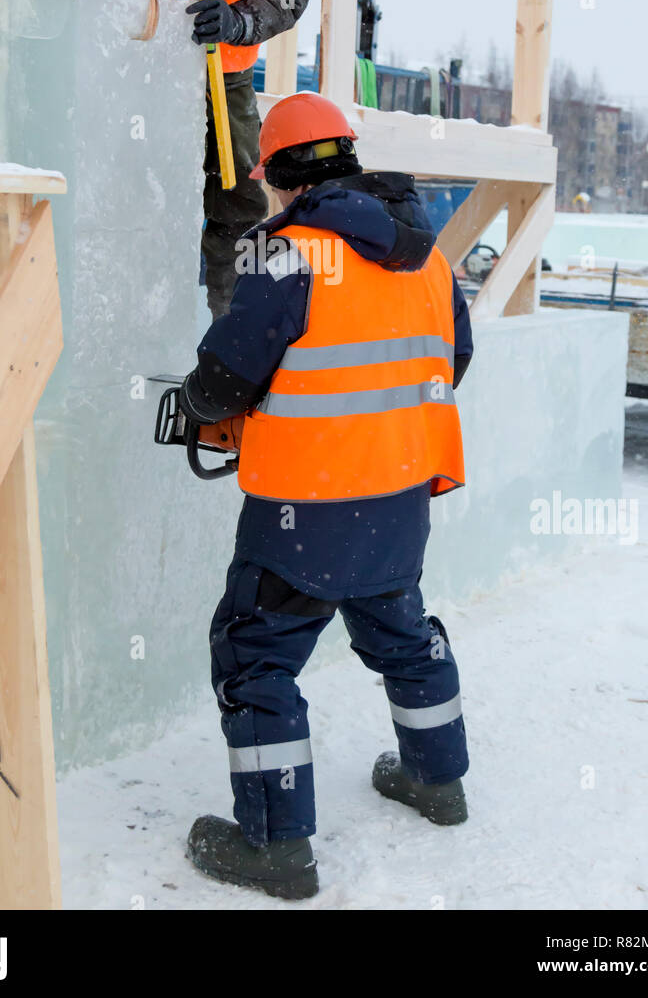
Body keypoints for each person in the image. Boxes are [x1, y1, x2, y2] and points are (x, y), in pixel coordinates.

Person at [177, 91, 474, 900]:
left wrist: (204, 408)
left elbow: (224, 378)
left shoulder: (287, 257)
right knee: (402, 633)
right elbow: (451, 359)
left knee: (256, 656)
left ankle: (276, 849)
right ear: (346, 159)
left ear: (275, 177)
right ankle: (438, 783)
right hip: (398, 496)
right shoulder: (428, 255)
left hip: (299, 509)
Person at [83, 0, 334, 318]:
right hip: (138, 63)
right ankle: (119, 314)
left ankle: (229, 326)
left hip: (225, 74)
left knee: (240, 200)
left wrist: (239, 22)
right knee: (132, 186)